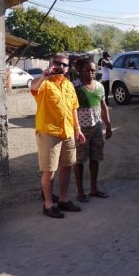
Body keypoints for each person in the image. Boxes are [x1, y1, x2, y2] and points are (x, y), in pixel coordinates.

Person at [31, 53, 86, 219]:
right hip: (49, 132)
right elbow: (33, 88)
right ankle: (48, 204)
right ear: (52, 64)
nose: (61, 67)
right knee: (49, 170)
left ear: (68, 68)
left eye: (64, 65)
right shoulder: (45, 83)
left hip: (67, 131)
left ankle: (63, 200)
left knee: (67, 166)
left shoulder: (69, 85)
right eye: (58, 63)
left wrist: (78, 129)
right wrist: (43, 76)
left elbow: (74, 108)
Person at [73, 60, 113, 201]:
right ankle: (80, 192)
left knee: (95, 158)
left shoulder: (100, 87)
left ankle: (94, 189)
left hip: (97, 128)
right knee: (79, 161)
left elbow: (103, 107)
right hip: (81, 130)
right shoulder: (75, 87)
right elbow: (71, 109)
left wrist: (108, 126)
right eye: (87, 70)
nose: (90, 73)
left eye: (93, 70)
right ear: (81, 71)